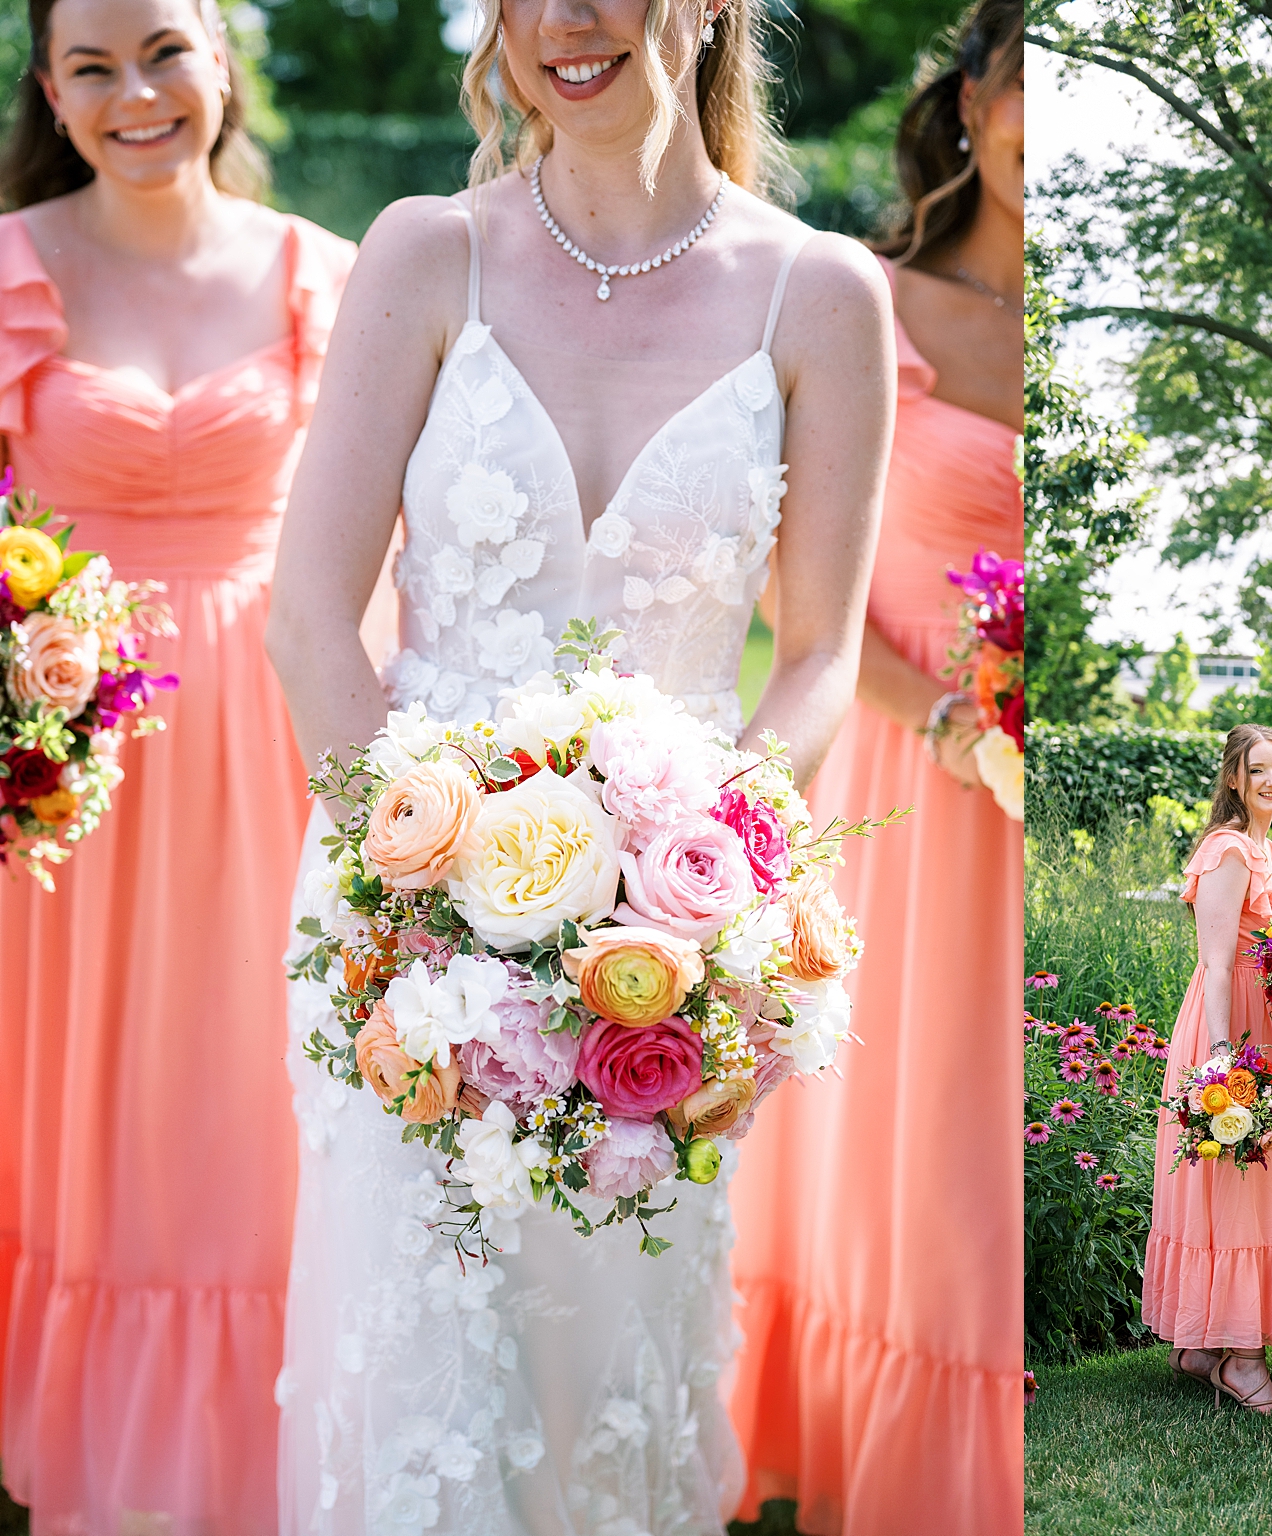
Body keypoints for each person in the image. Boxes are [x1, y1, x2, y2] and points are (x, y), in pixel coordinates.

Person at [260, 0, 892, 1521]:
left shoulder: (825, 296)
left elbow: (815, 658)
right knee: (423, 1371)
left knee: (615, 1375)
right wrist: (418, 911)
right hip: (399, 939)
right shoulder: (426, 253)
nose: (566, 21)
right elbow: (307, 621)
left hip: (658, 965)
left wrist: (706, 889)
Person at [0, 0, 356, 1526]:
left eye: (164, 50)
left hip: (272, 746)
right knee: (87, 1111)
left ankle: (276, 1448)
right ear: (48, 88)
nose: (135, 92)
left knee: (250, 1096)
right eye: (93, 65)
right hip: (65, 767)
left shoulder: (321, 273)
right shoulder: (11, 266)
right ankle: (101, 1452)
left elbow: (371, 542)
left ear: (221, 57)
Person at [727, 3, 1025, 1530]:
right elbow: (787, 577)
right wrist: (968, 724)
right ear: (972, 101)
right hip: (905, 789)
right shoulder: (864, 306)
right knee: (895, 1160)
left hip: (1039, 809)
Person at [1142, 724, 1272, 1418]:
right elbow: (1216, 960)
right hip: (1232, 1023)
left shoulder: (1269, 848)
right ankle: (1242, 1361)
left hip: (1266, 1019)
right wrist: (1222, 1052)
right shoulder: (1229, 849)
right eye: (1258, 770)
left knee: (1257, 1183)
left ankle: (1206, 1349)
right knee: (1245, 1185)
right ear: (1235, 780)